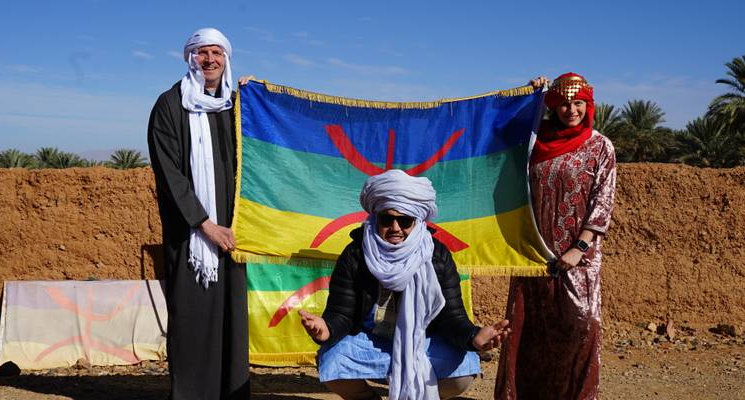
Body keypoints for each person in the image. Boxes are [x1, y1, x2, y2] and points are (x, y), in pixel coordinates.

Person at [298, 169, 511, 400]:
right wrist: (325, 328)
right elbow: (342, 312)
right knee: (332, 360)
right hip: (372, 344)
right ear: (375, 218)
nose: (396, 228)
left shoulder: (436, 256)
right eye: (387, 219)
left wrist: (474, 337)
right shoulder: (356, 254)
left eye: (405, 220)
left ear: (417, 221)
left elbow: (452, 317)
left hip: (422, 343)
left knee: (465, 367)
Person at [494, 73, 617, 399]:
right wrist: (530, 97)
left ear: (588, 105)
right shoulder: (535, 143)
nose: (571, 110)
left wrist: (579, 247)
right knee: (531, 330)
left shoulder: (600, 147)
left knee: (581, 326)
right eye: (563, 103)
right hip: (534, 254)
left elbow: (602, 202)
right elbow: (499, 135)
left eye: (578, 103)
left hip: (579, 259)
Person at [147, 28, 249, 399]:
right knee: (193, 320)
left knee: (231, 320)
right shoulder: (171, 106)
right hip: (192, 236)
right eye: (202, 53)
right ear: (190, 58)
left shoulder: (237, 107)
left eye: (216, 53)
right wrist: (206, 226)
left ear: (227, 58)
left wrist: (258, 99)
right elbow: (170, 175)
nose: (209, 60)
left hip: (234, 233)